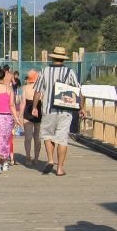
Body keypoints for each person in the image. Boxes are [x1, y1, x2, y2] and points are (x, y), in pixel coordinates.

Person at [31, 46, 85, 176]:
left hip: (48, 110)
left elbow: (37, 91)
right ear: (63, 58)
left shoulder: (44, 71)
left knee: (48, 136)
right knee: (62, 139)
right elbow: (78, 91)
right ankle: (59, 168)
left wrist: (34, 107)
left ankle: (50, 160)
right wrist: (81, 108)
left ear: (53, 57)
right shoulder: (69, 72)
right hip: (65, 110)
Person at [22, 70, 42, 165]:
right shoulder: (41, 88)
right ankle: (36, 158)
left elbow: (23, 103)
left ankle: (27, 158)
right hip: (38, 111)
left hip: (28, 112)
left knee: (28, 138)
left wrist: (19, 115)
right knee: (37, 138)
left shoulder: (25, 88)